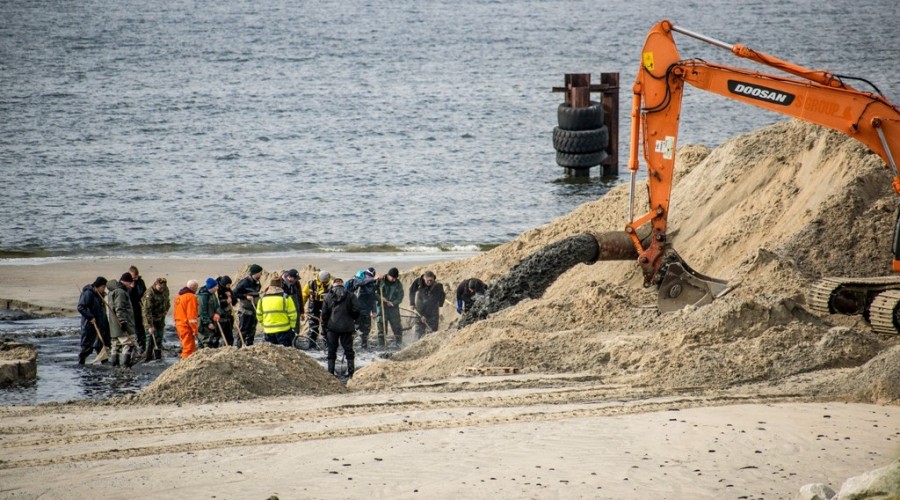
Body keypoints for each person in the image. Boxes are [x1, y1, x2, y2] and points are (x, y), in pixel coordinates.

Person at [321, 277, 359, 377]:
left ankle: (330, 373)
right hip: (347, 327)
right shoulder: (351, 295)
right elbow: (357, 310)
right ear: (342, 284)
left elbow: (324, 314)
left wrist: (325, 326)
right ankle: (351, 373)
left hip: (332, 327)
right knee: (349, 350)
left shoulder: (328, 296)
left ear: (333, 284)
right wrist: (351, 318)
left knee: (331, 350)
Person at [106, 272, 138, 367]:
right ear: (125, 282)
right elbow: (120, 308)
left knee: (115, 345)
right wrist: (123, 321)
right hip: (122, 323)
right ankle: (125, 366)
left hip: (113, 324)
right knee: (127, 343)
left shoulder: (112, 291)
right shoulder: (121, 292)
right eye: (130, 282)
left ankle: (114, 365)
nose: (131, 285)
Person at [256, 277, 298, 347]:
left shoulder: (263, 298)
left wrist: (263, 324)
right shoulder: (286, 298)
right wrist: (292, 326)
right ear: (281, 286)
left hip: (268, 331)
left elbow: (259, 314)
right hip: (284, 330)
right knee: (286, 352)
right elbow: (293, 314)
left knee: (271, 353)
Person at [76, 276, 109, 364]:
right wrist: (90, 317)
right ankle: (81, 363)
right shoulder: (88, 293)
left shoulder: (99, 295)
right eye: (103, 287)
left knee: (100, 346)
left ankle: (105, 363)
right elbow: (81, 307)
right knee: (87, 347)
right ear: (98, 286)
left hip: (99, 324)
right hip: (90, 325)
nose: (104, 289)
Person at [345, 267, 377, 349]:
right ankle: (348, 345)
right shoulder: (357, 279)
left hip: (366, 310)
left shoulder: (371, 284)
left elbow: (373, 298)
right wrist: (373, 279)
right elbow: (361, 283)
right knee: (354, 328)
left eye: (372, 276)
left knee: (366, 329)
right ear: (366, 274)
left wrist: (374, 310)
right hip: (356, 310)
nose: (370, 277)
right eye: (369, 276)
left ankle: (364, 345)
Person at [408, 270, 445, 339]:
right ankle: (416, 342)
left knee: (432, 331)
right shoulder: (418, 282)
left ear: (433, 279)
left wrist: (425, 315)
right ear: (424, 278)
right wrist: (412, 303)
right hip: (420, 307)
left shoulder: (437, 287)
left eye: (431, 280)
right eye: (428, 280)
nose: (429, 282)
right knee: (418, 329)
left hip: (432, 310)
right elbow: (411, 290)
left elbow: (432, 303)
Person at [233, 264, 263, 347]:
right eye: (260, 273)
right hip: (245, 310)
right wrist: (245, 296)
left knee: (252, 330)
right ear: (255, 273)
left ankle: (250, 345)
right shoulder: (244, 283)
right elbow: (234, 293)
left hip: (254, 309)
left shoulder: (257, 283)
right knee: (243, 330)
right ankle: (239, 346)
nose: (261, 274)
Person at [141, 277, 170, 361]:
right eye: (160, 288)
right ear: (156, 284)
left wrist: (165, 311)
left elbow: (167, 301)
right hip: (150, 319)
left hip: (160, 318)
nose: (161, 289)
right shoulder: (150, 293)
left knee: (159, 337)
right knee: (150, 339)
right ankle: (147, 357)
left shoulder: (165, 290)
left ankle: (158, 357)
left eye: (163, 288)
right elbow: (147, 311)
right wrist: (150, 326)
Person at [301, 270, 332, 348]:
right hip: (313, 307)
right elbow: (304, 296)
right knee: (312, 326)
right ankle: (311, 344)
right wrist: (301, 307)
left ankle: (327, 344)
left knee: (326, 327)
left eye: (325, 282)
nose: (323, 283)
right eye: (322, 281)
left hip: (326, 308)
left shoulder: (331, 286)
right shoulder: (311, 284)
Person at [375, 267, 404, 348]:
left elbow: (400, 297)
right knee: (382, 330)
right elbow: (373, 292)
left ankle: (398, 345)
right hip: (381, 308)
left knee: (397, 328)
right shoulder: (379, 281)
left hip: (393, 309)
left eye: (395, 278)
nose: (394, 279)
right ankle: (381, 346)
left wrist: (393, 303)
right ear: (388, 275)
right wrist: (381, 298)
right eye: (393, 278)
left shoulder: (398, 284)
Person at [173, 280, 200, 358]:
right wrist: (194, 329)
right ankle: (186, 364)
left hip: (179, 324)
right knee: (189, 349)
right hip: (186, 326)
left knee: (185, 346)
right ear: (194, 288)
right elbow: (192, 316)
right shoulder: (191, 297)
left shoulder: (178, 296)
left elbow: (175, 311)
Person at [127, 265, 148, 356]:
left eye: (134, 277)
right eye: (132, 276)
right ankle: (133, 347)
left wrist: (133, 286)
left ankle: (142, 347)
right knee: (131, 329)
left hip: (138, 308)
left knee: (139, 328)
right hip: (129, 308)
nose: (133, 278)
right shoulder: (127, 283)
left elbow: (142, 293)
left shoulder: (140, 282)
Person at [197, 277, 222, 348]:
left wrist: (217, 313)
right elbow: (202, 311)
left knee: (213, 339)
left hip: (212, 319)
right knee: (205, 340)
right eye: (216, 286)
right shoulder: (203, 296)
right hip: (203, 323)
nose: (217, 287)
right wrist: (208, 323)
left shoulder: (213, 294)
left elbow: (217, 305)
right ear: (212, 287)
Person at [217, 275, 237, 346]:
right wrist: (226, 301)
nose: (229, 286)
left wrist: (230, 296)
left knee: (229, 336)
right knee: (217, 336)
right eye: (228, 285)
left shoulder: (228, 289)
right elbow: (217, 303)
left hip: (228, 316)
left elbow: (234, 301)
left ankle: (229, 347)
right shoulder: (217, 290)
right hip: (220, 317)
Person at [281, 268, 302, 334]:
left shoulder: (296, 283)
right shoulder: (279, 283)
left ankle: (295, 338)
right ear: (289, 277)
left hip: (295, 309)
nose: (296, 280)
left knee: (296, 324)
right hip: (283, 308)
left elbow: (300, 297)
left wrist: (302, 311)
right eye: (295, 279)